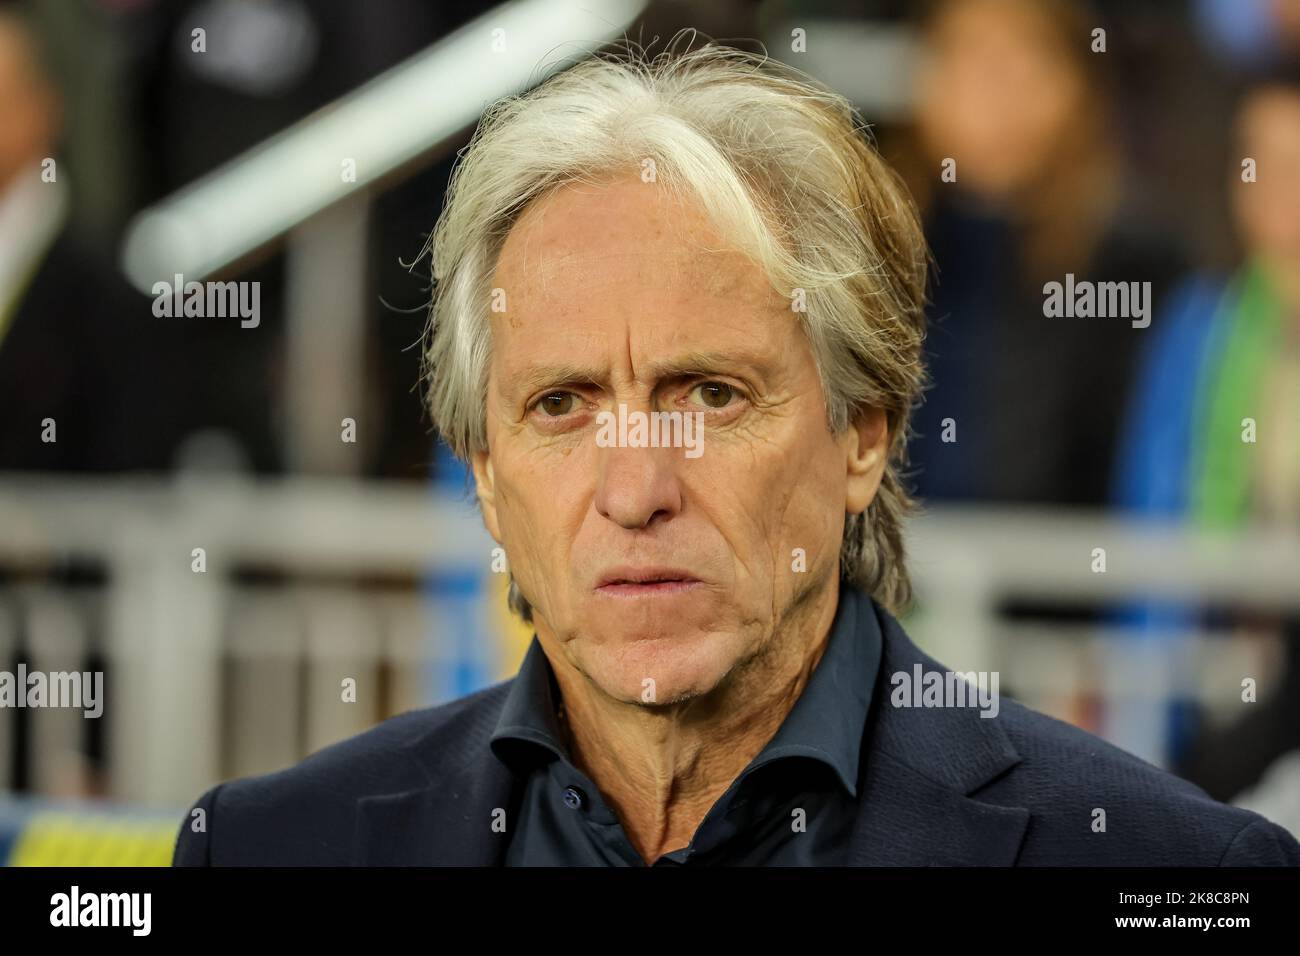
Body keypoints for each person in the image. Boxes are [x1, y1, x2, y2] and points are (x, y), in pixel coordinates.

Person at [174, 41, 1298, 866]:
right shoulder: (268, 850)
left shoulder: (1170, 874)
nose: (634, 488)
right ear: (481, 468)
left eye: (708, 394)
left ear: (865, 429)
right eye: (561, 405)